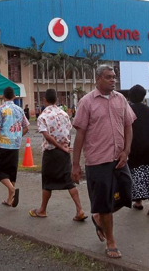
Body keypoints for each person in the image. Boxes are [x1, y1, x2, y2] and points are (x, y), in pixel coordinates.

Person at [72, 65, 136, 259]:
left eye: (114, 77)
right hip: (97, 161)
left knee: (126, 193)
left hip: (119, 159)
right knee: (105, 202)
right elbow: (80, 134)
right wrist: (75, 165)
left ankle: (98, 216)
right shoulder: (87, 102)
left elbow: (128, 126)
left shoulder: (121, 99)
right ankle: (110, 240)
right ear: (98, 79)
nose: (112, 80)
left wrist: (126, 150)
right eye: (108, 77)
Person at [29, 89, 86, 220]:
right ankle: (80, 209)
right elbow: (68, 132)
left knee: (47, 181)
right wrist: (65, 147)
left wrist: (59, 147)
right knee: (69, 181)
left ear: (44, 100)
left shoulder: (43, 116)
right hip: (64, 151)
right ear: (56, 100)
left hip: (51, 152)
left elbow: (47, 137)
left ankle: (42, 210)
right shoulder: (64, 114)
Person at [0, 87, 29, 208]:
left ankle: (12, 190)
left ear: (3, 97)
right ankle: (10, 198)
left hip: (2, 145)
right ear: (14, 96)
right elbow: (26, 127)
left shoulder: (0, 110)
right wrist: (18, 135)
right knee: (11, 171)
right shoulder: (19, 110)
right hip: (15, 145)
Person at [127, 85, 149, 215]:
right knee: (148, 176)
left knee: (136, 177)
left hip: (136, 149)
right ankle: (139, 201)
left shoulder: (128, 110)